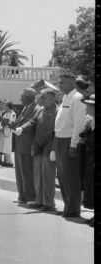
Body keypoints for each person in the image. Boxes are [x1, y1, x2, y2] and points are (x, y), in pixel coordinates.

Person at [15, 88, 58, 212]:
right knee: (38, 175)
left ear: (52, 98)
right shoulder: (40, 111)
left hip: (49, 146)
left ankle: (49, 203)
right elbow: (32, 123)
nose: (41, 99)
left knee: (48, 176)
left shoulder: (57, 111)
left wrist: (54, 148)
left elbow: (58, 129)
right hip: (38, 145)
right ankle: (39, 200)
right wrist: (22, 128)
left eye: (43, 97)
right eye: (41, 97)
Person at [54, 72, 87, 218]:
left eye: (62, 82)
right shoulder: (65, 97)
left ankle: (73, 209)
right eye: (60, 82)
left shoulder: (77, 98)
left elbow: (78, 124)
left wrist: (73, 145)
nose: (59, 84)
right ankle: (68, 206)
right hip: (59, 139)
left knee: (71, 176)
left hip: (69, 140)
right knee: (62, 176)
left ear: (72, 83)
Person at [11, 87, 39, 205]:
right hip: (19, 144)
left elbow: (32, 121)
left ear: (28, 97)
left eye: (22, 96)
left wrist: (21, 128)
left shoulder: (36, 108)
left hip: (27, 144)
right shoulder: (25, 108)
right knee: (19, 172)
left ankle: (31, 197)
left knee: (27, 172)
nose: (20, 98)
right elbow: (19, 122)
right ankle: (22, 196)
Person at [79, 94, 94, 226]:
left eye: (89, 105)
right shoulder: (91, 121)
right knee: (90, 186)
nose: (87, 108)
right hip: (90, 159)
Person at [0, 101, 16, 166]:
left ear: (8, 106)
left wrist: (3, 127)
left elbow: (11, 122)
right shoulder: (6, 113)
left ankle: (9, 162)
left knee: (7, 147)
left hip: (7, 132)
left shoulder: (13, 113)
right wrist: (0, 127)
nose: (4, 107)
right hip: (3, 132)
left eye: (5, 105)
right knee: (3, 147)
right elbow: (2, 121)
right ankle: (7, 162)